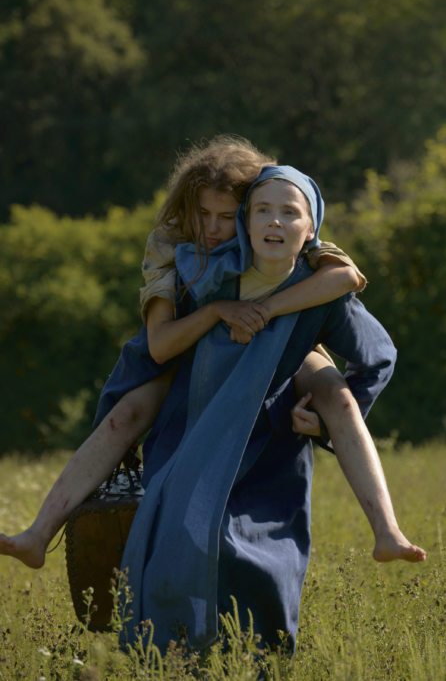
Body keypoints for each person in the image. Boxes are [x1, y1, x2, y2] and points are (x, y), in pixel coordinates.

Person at [0, 139, 424, 579]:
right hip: (190, 352)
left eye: (226, 216)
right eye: (203, 214)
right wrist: (218, 310)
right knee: (125, 414)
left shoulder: (274, 222)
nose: (213, 228)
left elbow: (345, 275)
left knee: (338, 397)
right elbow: (162, 345)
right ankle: (37, 533)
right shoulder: (170, 243)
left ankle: (387, 530)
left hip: (284, 346)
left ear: (245, 209)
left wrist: (268, 311)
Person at [118, 165, 424, 653]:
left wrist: (324, 420)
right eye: (262, 211)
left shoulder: (323, 291)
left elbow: (378, 356)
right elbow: (164, 343)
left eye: (290, 213)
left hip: (272, 439)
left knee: (265, 560)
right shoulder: (210, 276)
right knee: (184, 541)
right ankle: (168, 656)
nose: (275, 222)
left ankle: (262, 658)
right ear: (245, 221)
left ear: (311, 230)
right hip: (200, 431)